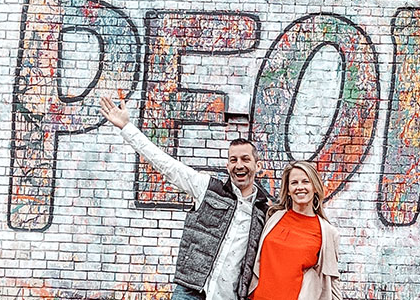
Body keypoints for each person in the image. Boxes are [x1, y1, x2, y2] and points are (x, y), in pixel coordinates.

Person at [99, 97, 270, 300]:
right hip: (190, 291)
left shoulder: (265, 211)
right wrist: (127, 127)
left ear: (258, 166)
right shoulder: (209, 188)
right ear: (227, 166)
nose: (239, 165)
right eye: (233, 160)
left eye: (245, 159)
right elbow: (166, 165)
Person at [248, 161, 342, 300]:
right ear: (288, 190)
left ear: (315, 187)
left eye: (305, 182)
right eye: (294, 183)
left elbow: (331, 281)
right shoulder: (274, 217)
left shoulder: (327, 232)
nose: (300, 187)